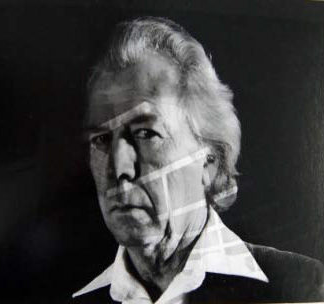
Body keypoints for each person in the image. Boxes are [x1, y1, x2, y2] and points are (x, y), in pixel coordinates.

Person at [72, 16, 324, 304]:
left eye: (145, 133)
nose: (120, 169)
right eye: (101, 140)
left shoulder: (304, 288)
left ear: (209, 160)